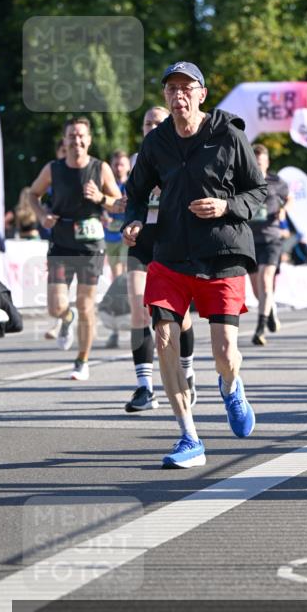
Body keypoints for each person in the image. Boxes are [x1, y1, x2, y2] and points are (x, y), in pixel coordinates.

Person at [123, 61, 267, 468]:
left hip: (222, 253)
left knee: (224, 352)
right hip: (170, 254)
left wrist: (227, 205)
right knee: (164, 337)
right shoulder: (156, 142)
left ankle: (230, 384)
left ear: (202, 94)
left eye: (187, 88)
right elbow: (135, 192)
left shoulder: (229, 135)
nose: (178, 95)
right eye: (171, 89)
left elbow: (258, 190)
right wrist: (133, 219)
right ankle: (189, 436)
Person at [29, 117, 122, 380]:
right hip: (61, 243)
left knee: (85, 304)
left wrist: (101, 198)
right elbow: (32, 194)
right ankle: (65, 318)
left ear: (89, 140)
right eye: (72, 136)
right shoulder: (53, 169)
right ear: (65, 140)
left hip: (90, 245)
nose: (77, 141)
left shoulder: (100, 168)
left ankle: (82, 360)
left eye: (81, 136)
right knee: (54, 306)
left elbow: (119, 204)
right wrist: (41, 215)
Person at [123, 106, 198, 413]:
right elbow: (129, 199)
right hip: (142, 241)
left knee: (179, 316)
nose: (151, 126)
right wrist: (122, 210)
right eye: (146, 123)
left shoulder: (177, 153)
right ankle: (144, 387)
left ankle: (188, 370)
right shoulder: (135, 161)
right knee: (140, 309)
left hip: (173, 241)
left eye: (157, 121)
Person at [248, 144, 291, 346]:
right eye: (253, 162)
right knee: (258, 289)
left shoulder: (277, 182)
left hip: (272, 237)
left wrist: (284, 211)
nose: (257, 165)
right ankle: (270, 308)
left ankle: (259, 329)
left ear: (266, 162)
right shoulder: (243, 180)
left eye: (260, 162)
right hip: (250, 239)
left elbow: (288, 199)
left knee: (266, 281)